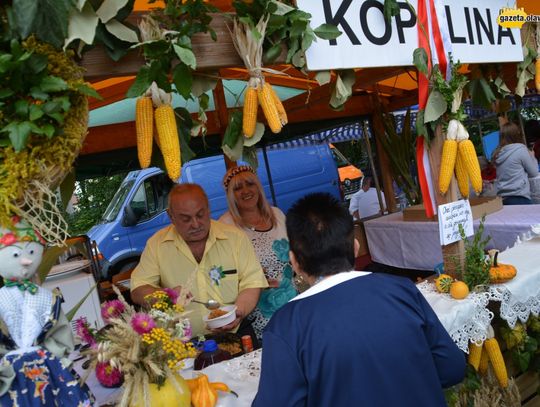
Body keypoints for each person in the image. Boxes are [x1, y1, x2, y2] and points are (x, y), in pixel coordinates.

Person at [253, 193, 465, 407]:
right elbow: (451, 367)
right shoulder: (401, 289)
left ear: (295, 261)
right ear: (355, 247)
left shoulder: (285, 326)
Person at [130, 183, 268, 336]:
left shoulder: (235, 238)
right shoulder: (156, 245)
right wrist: (165, 295)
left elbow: (252, 283)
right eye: (186, 219)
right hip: (183, 344)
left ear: (208, 208)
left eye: (200, 215)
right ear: (171, 216)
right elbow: (137, 290)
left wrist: (238, 313)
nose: (195, 224)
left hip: (236, 332)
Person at [218, 166, 298, 343]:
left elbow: (294, 251)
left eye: (250, 184)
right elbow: (220, 272)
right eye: (238, 188)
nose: (246, 191)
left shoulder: (276, 213)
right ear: (230, 195)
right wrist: (251, 277)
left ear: (258, 187)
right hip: (257, 310)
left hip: (291, 299)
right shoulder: (225, 225)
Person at [493, 122, 539, 205]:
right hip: (520, 197)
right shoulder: (521, 149)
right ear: (516, 134)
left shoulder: (498, 153)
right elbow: (534, 173)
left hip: (502, 200)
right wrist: (533, 157)